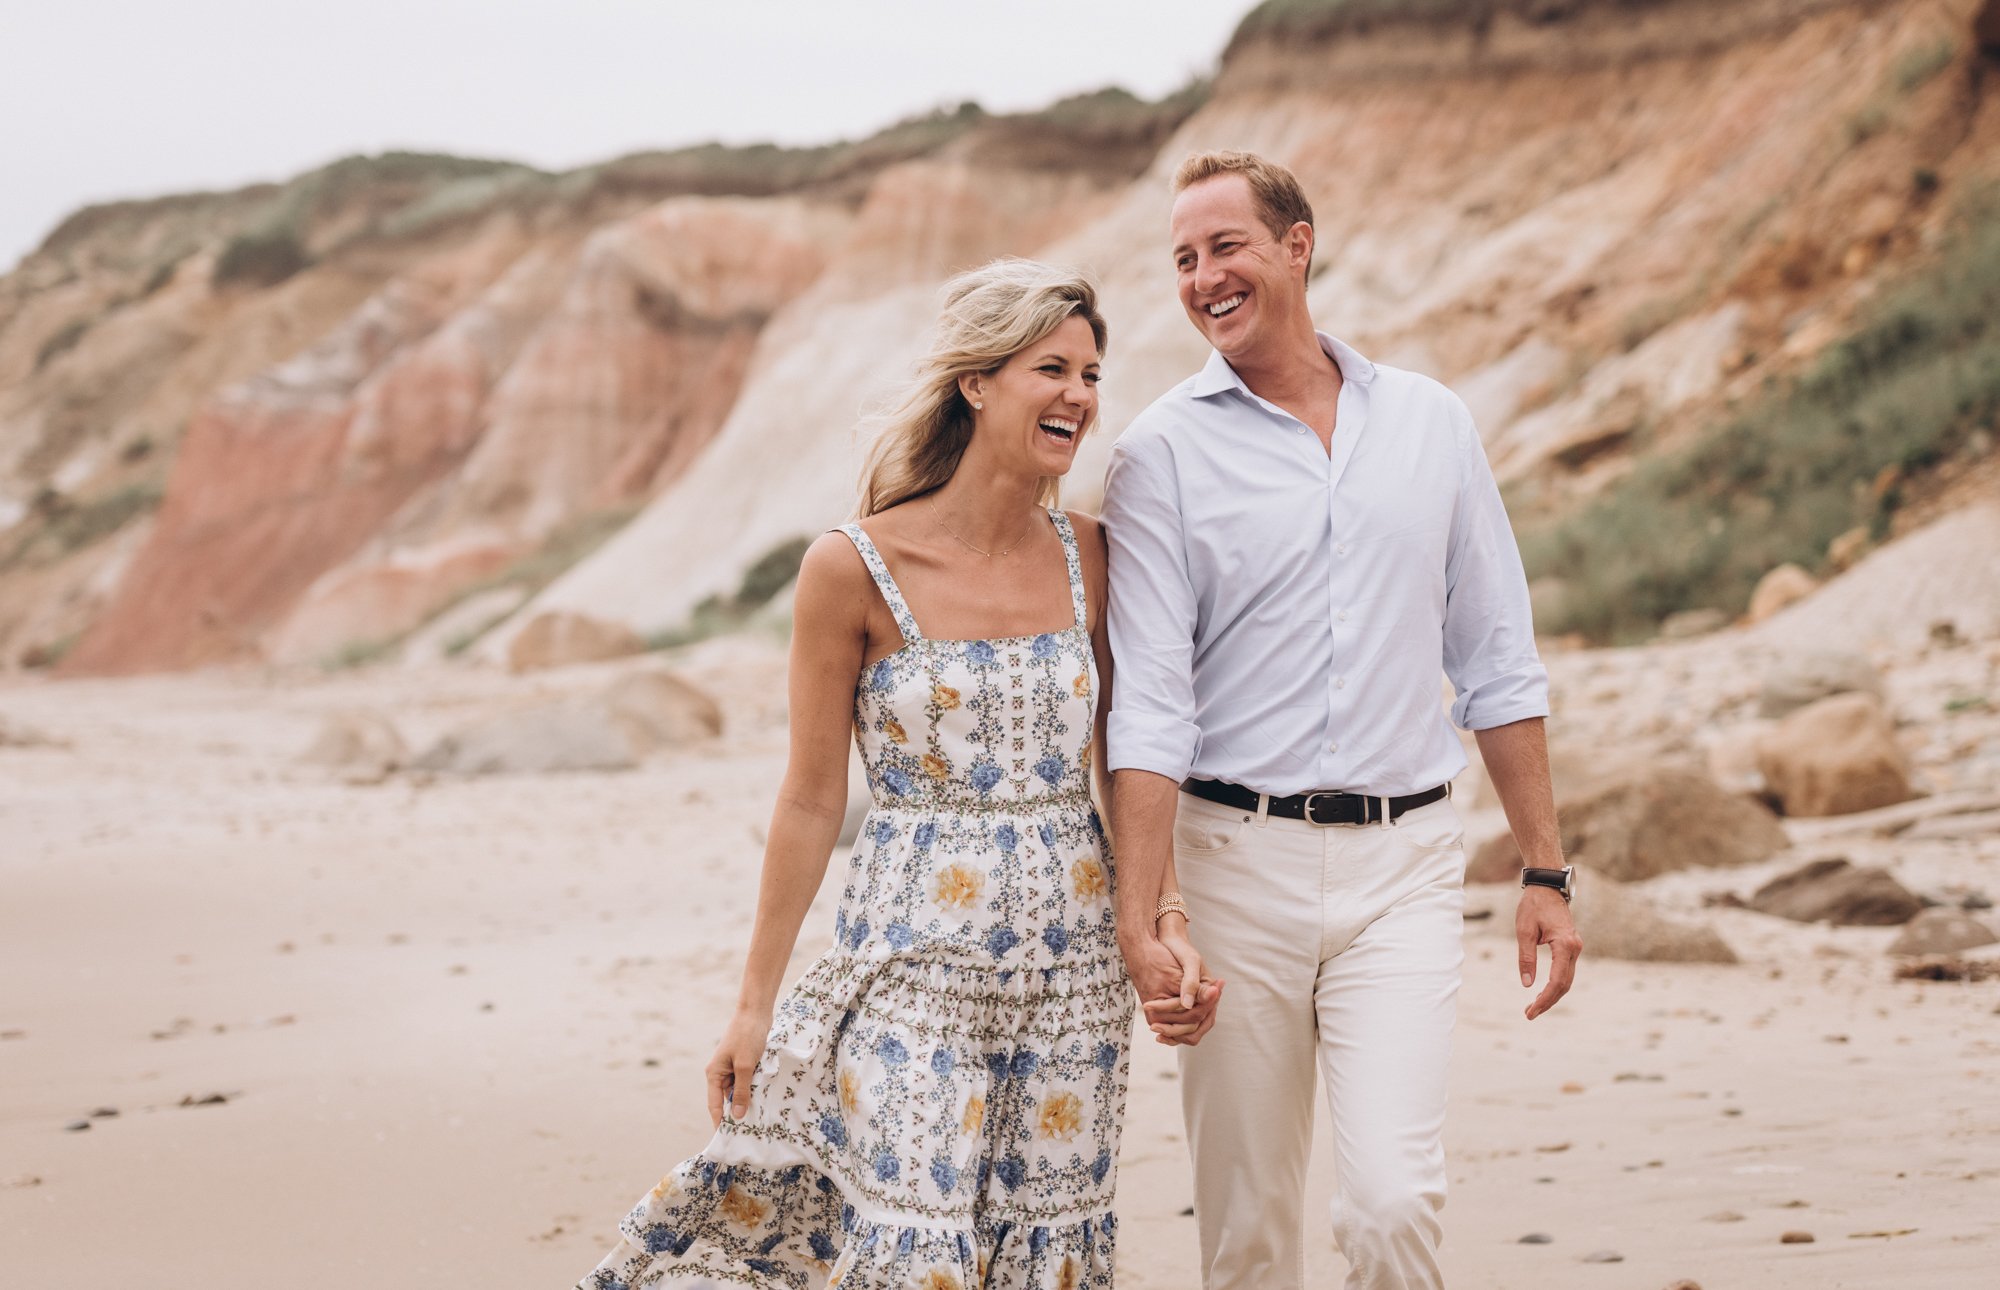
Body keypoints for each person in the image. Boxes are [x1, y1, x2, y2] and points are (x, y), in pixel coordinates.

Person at [574, 257, 1211, 1290]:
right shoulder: (851, 566)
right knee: (917, 1250)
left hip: (1072, 973)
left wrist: (1161, 913)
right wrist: (752, 1005)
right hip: (909, 962)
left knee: (1047, 1253)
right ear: (975, 380)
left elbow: (1123, 758)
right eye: (1051, 369)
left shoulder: (1092, 556)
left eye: (1092, 375)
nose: (1080, 398)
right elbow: (809, 797)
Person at [1101, 151, 1584, 1290]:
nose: (1202, 277)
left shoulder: (1430, 424)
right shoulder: (1157, 455)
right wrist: (1145, 913)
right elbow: (1150, 707)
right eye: (1181, 259)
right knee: (1249, 1232)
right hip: (1230, 870)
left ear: (1295, 246)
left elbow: (1496, 661)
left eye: (1224, 247)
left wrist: (1545, 873)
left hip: (1402, 869)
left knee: (1391, 1203)